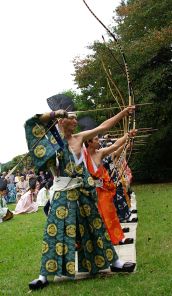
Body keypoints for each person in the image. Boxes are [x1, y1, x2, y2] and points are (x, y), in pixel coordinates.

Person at [25, 106, 136, 290]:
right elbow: (33, 122)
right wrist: (54, 114)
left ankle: (114, 262)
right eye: (72, 118)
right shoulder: (52, 141)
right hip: (62, 192)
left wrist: (123, 113)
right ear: (61, 121)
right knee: (54, 232)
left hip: (82, 190)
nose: (76, 121)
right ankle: (43, 276)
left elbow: (103, 127)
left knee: (96, 226)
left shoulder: (80, 138)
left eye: (76, 119)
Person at [84, 132, 136, 245]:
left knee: (110, 213)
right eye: (96, 139)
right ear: (89, 142)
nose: (99, 141)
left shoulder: (100, 153)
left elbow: (115, 146)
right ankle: (101, 241)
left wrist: (127, 136)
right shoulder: (83, 156)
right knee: (96, 218)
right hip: (90, 192)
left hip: (103, 190)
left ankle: (117, 238)